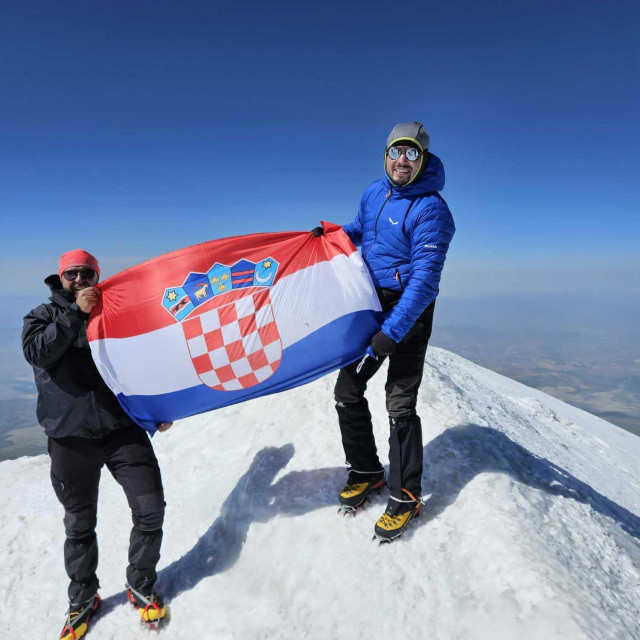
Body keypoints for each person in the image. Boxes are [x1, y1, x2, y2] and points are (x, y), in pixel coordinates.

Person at [314, 122, 455, 542]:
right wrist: (333, 233)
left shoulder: (432, 210)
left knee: (399, 403)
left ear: (423, 160)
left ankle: (406, 495)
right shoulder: (375, 192)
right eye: (397, 151)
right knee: (348, 389)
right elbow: (362, 230)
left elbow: (426, 281)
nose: (402, 161)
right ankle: (366, 471)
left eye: (413, 154)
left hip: (409, 313)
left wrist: (392, 332)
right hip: (372, 305)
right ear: (386, 154)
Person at [22, 249, 173, 639]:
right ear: (61, 278)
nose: (79, 279)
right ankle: (83, 599)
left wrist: (158, 405)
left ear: (96, 274)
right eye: (71, 273)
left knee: (150, 509)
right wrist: (76, 313)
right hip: (69, 437)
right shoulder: (42, 316)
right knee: (79, 524)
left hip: (122, 430)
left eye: (86, 272)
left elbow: (143, 360)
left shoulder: (117, 312)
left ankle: (140, 583)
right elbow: (37, 352)